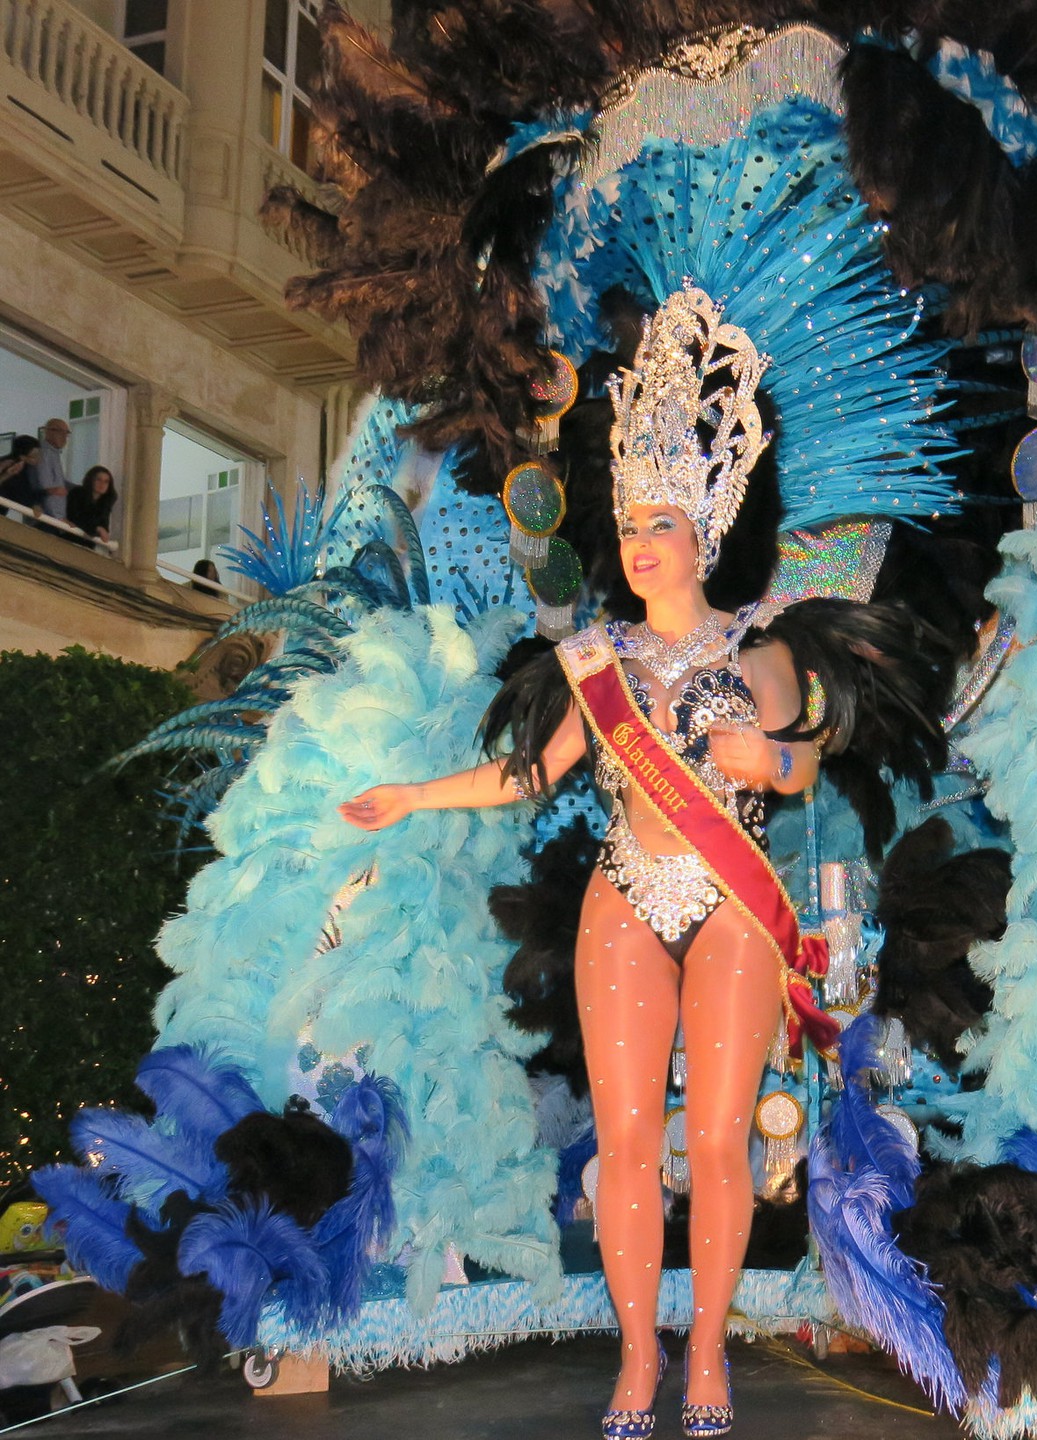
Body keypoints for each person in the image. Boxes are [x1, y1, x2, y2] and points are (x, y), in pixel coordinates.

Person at [339, 289, 840, 1440]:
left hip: (731, 904)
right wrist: (414, 796)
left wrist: (767, 756)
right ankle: (636, 1353)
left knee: (715, 1143)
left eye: (661, 522)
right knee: (625, 1145)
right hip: (624, 897)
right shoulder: (595, 657)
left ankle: (705, 1353)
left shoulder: (761, 647)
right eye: (628, 523)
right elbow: (534, 773)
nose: (640, 541)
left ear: (704, 534)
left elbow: (805, 762)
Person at [25, 418, 71, 523]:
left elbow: (59, 485)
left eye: (66, 433)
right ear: (49, 432)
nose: (64, 437)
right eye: (60, 432)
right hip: (45, 518)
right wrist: (58, 518)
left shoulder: (54, 454)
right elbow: (48, 489)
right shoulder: (45, 454)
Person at [64, 466, 116, 548]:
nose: (102, 484)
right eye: (98, 479)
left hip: (87, 546)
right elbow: (74, 518)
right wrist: (97, 528)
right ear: (91, 480)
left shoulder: (105, 504)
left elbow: (104, 528)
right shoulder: (77, 493)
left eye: (106, 482)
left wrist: (98, 529)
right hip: (68, 540)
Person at [0, 436, 40, 513]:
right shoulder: (11, 467)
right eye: (34, 456)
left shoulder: (29, 468)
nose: (39, 459)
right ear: (22, 457)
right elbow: (21, 495)